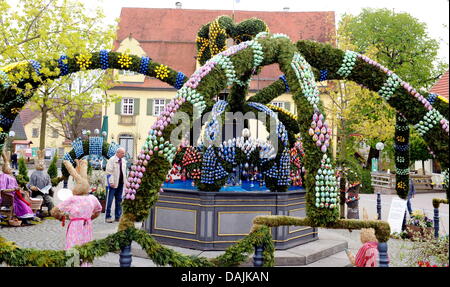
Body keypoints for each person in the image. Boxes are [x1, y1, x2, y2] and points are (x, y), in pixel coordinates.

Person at [51, 159, 102, 267]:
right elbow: (98, 211)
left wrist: (61, 217)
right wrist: (89, 218)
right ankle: (86, 265)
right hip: (87, 226)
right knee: (86, 247)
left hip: (75, 226)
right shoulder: (92, 198)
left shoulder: (72, 199)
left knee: (72, 246)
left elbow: (54, 211)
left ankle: (72, 264)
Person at [1, 150, 35, 223]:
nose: (10, 168)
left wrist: (19, 189)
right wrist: (13, 189)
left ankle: (26, 218)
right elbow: (2, 190)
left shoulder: (12, 177)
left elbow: (16, 186)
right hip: (8, 196)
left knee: (24, 202)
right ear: (4, 168)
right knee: (21, 204)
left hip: (15, 195)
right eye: (8, 167)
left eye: (10, 167)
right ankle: (24, 218)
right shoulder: (3, 177)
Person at [27, 150, 54, 214]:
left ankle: (51, 212)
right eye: (40, 162)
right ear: (37, 164)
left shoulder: (46, 174)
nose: (41, 164)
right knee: (40, 199)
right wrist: (32, 187)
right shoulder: (34, 174)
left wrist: (49, 187)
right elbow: (30, 184)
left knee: (50, 201)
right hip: (37, 193)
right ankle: (38, 212)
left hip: (45, 193)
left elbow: (49, 183)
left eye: (42, 162)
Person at [105, 147, 127, 223]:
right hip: (112, 184)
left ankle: (117, 217)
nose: (124, 154)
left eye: (124, 153)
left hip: (120, 184)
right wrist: (111, 182)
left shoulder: (124, 161)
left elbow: (124, 173)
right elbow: (108, 172)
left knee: (119, 201)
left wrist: (125, 183)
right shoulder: (111, 160)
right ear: (118, 153)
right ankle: (108, 216)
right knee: (110, 201)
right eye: (122, 153)